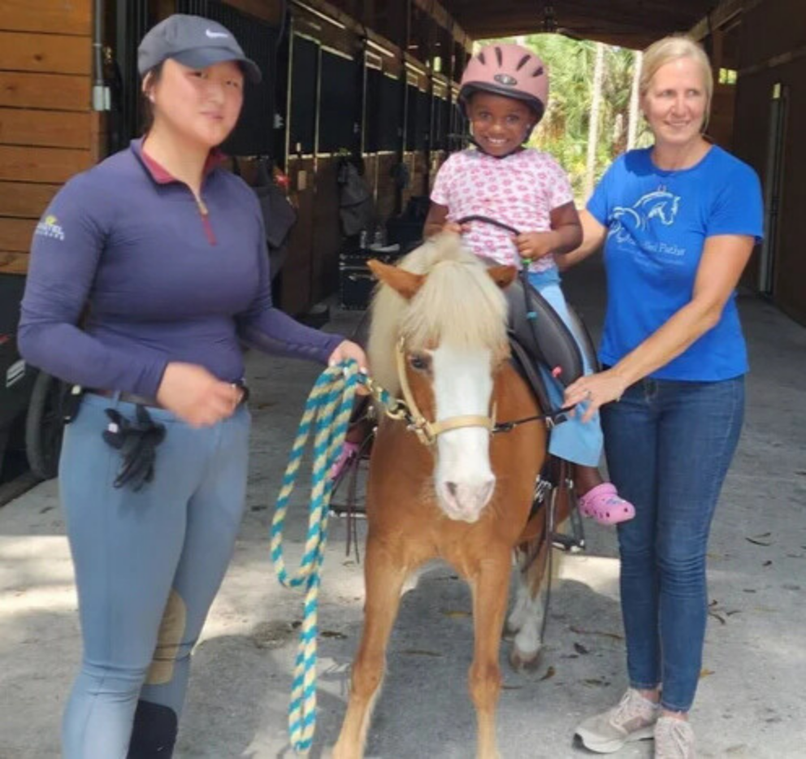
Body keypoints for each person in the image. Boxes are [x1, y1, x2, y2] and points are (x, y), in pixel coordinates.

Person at [18, 14, 366, 758]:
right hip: (128, 446)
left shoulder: (239, 198)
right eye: (197, 76)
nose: (218, 94)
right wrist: (160, 378)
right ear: (151, 85)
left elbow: (255, 316)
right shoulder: (93, 197)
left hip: (220, 445)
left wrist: (331, 346)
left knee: (174, 645)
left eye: (232, 82)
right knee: (117, 663)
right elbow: (40, 332)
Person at [564, 36, 763, 758]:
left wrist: (614, 376)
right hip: (630, 396)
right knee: (636, 544)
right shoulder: (623, 172)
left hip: (702, 391)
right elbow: (574, 239)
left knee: (679, 549)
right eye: (664, 92)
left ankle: (677, 708)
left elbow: (707, 306)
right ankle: (640, 693)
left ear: (706, 100)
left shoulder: (732, 182)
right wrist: (511, 241)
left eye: (691, 94)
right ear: (642, 100)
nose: (678, 106)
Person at [422, 41, 635, 526]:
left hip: (528, 286)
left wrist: (547, 240)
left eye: (511, 119)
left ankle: (586, 476)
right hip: (461, 285)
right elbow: (431, 227)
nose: (496, 128)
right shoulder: (455, 167)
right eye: (485, 115)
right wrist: (444, 233)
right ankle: (358, 431)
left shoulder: (544, 169)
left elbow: (573, 232)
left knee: (574, 367)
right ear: (469, 115)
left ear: (530, 123)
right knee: (385, 325)